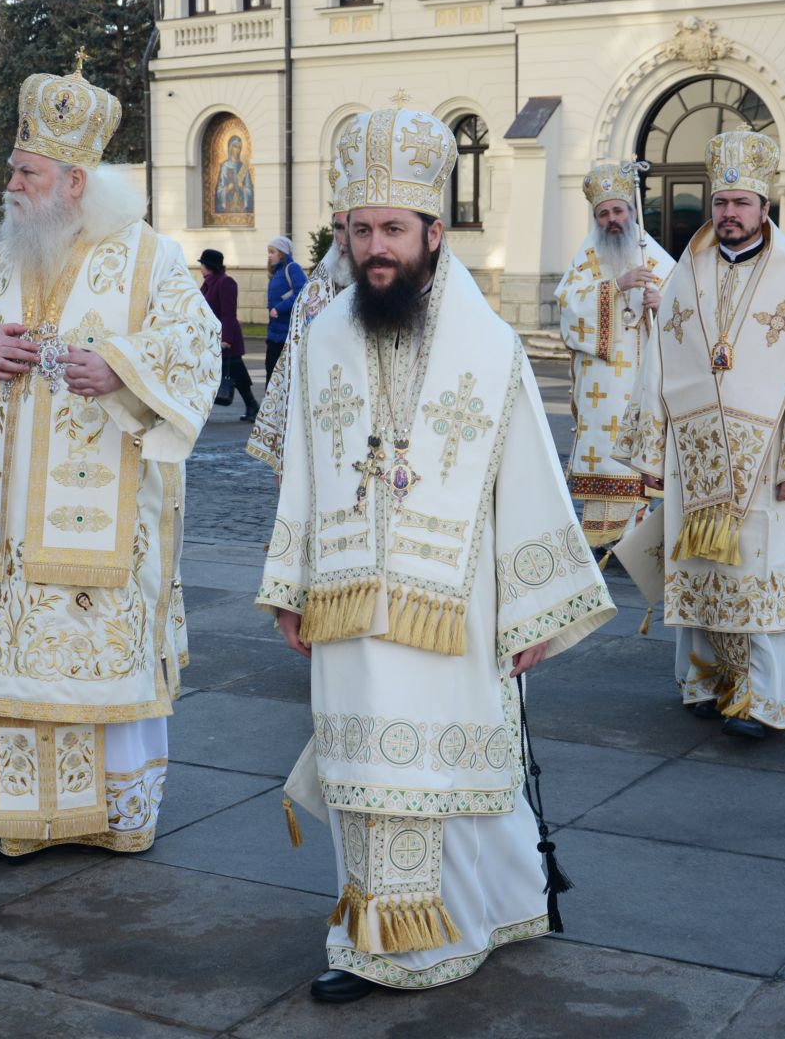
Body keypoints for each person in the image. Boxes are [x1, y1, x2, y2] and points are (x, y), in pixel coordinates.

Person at [258, 107, 615, 1001]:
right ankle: (377, 942)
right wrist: (290, 586)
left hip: (458, 607)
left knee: (455, 768)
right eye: (359, 230)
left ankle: (481, 915)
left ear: (432, 232)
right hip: (348, 599)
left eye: (392, 229)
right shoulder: (322, 337)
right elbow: (301, 469)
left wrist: (531, 613)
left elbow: (529, 478)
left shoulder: (488, 344)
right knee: (366, 771)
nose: (375, 248)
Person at [0, 58, 221, 861]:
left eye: (26, 172)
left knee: (104, 667)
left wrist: (120, 368)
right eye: (14, 169)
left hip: (112, 527)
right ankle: (27, 819)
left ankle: (118, 817)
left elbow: (197, 345)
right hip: (17, 534)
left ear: (74, 182)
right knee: (24, 670)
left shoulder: (148, 257)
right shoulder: (4, 260)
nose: (11, 185)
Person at [616, 130, 785, 740]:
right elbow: (659, 365)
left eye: (741, 203)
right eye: (721, 202)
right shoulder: (686, 274)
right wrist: (650, 449)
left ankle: (762, 701)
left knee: (760, 578)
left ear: (764, 207)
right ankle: (705, 684)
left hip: (768, 460)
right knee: (698, 572)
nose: (729, 213)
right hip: (693, 456)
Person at [555, 163, 676, 548]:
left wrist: (663, 306)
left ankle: (636, 536)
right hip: (599, 383)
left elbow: (686, 312)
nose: (612, 219)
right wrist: (615, 287)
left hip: (641, 379)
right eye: (603, 213)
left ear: (631, 211)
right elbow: (568, 309)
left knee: (639, 452)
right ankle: (600, 536)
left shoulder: (652, 255)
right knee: (604, 453)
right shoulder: (587, 256)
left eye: (618, 210)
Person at [247, 189, 354, 474]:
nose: (344, 240)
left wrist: (279, 308)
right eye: (338, 228)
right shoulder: (317, 292)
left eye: (358, 228)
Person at [200, 248, 259, 420]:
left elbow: (229, 313)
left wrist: (226, 339)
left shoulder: (225, 282)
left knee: (237, 372)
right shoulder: (207, 284)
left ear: (208, 265)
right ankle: (252, 405)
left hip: (226, 339)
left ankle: (252, 405)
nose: (200, 267)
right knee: (228, 372)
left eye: (202, 264)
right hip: (212, 338)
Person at [265, 236, 306, 382]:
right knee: (272, 375)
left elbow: (302, 293)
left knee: (287, 378)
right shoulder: (276, 274)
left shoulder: (292, 268)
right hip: (274, 335)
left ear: (282, 253)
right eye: (269, 252)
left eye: (272, 252)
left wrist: (279, 309)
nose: (269, 256)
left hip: (289, 335)